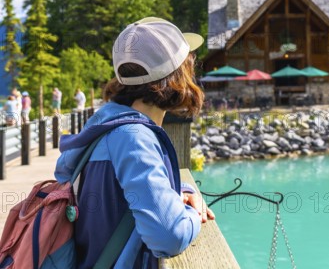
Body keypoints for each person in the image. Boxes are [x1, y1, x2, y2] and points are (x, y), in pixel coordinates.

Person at [54, 17, 214, 268]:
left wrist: (180, 191)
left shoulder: (107, 124)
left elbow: (126, 190)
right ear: (176, 76)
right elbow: (169, 237)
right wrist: (194, 213)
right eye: (189, 65)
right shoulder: (134, 138)